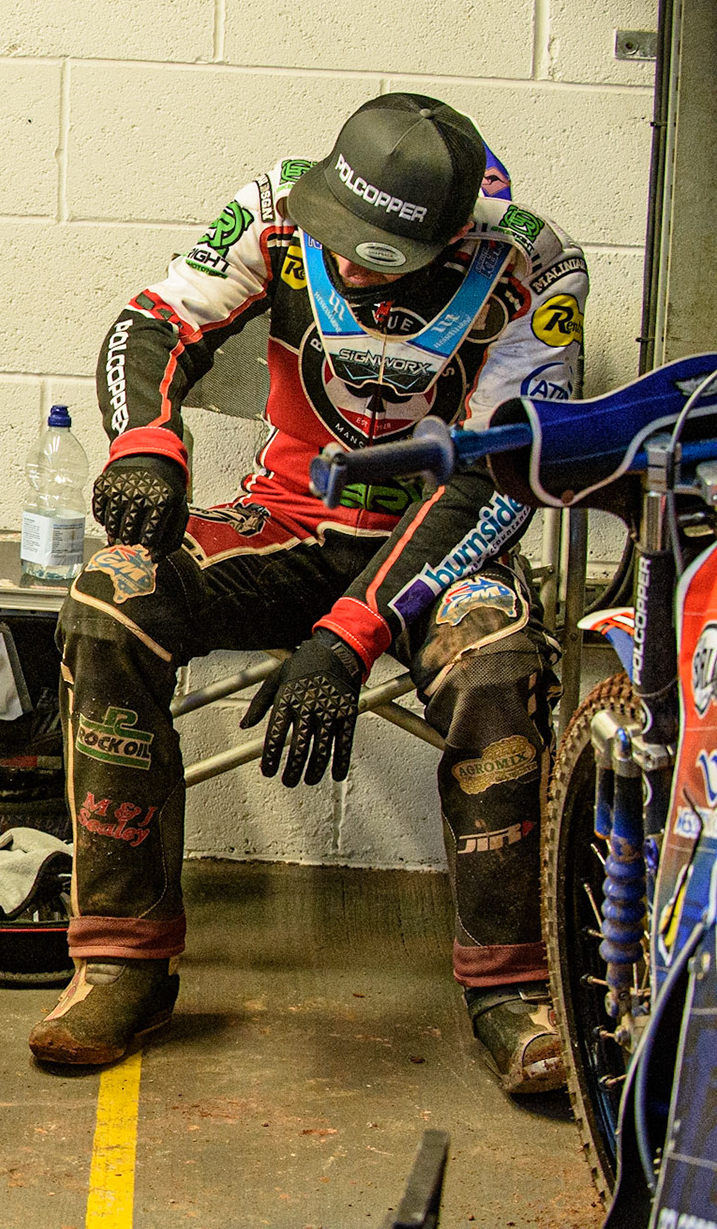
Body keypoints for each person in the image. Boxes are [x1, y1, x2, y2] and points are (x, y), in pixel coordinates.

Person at [30, 94, 587, 1094]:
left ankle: (512, 995)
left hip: (444, 547)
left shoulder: (536, 267)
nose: (357, 262)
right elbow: (152, 322)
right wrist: (149, 447)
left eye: (384, 251)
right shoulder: (276, 210)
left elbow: (498, 478)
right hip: (285, 521)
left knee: (497, 664)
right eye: (347, 235)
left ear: (452, 234)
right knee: (110, 600)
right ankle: (122, 961)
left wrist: (347, 638)